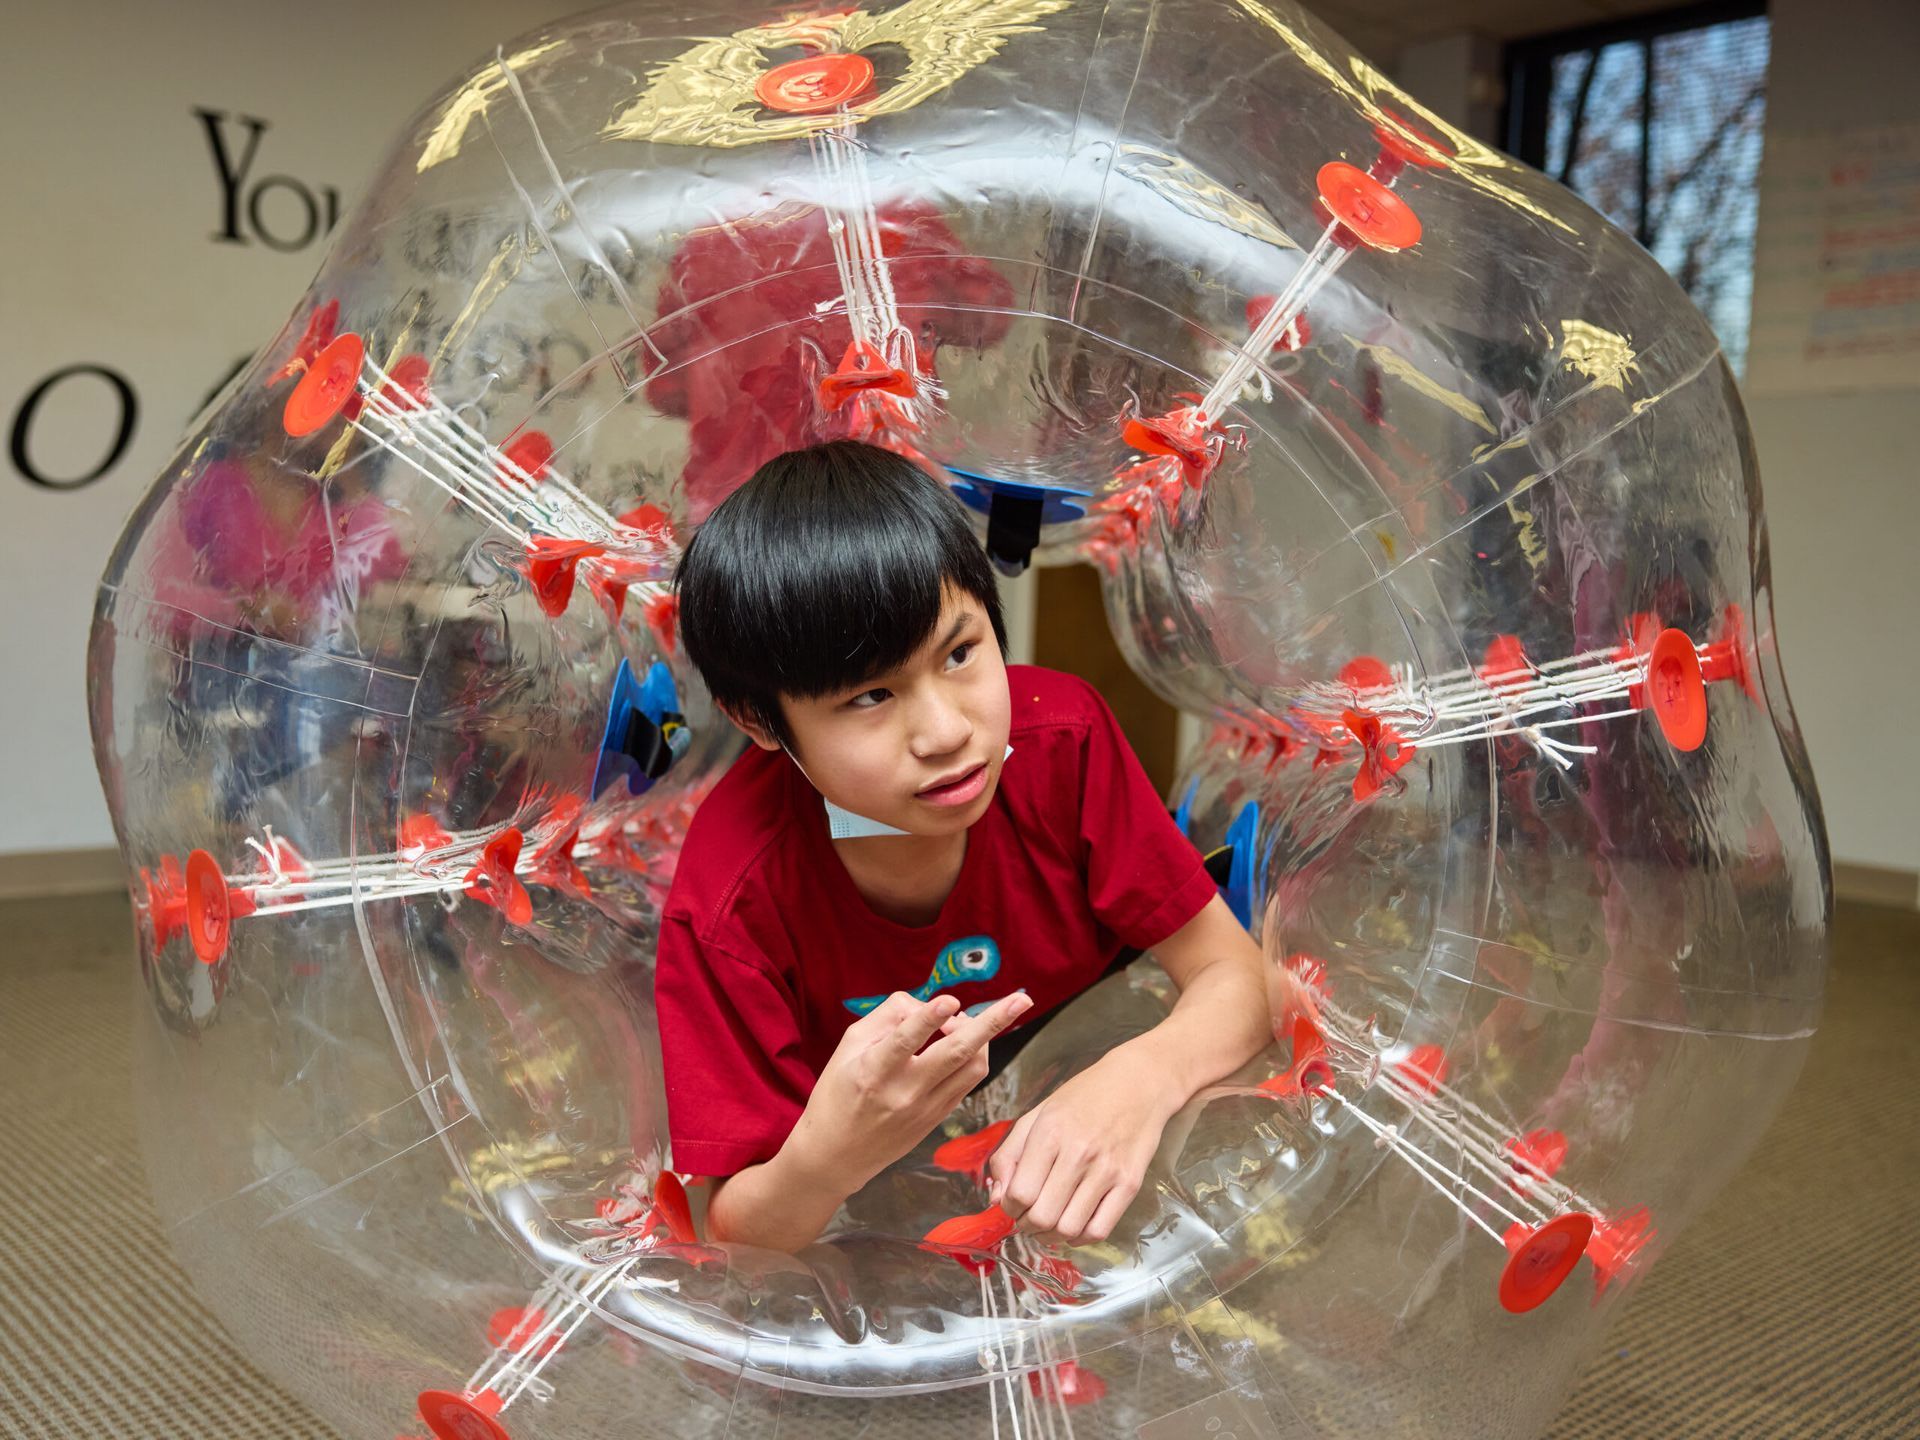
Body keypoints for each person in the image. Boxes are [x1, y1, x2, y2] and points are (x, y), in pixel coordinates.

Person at [655, 440, 1295, 1256]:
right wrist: (829, 1158)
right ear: (757, 720)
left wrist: (1142, 1078)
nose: (948, 732)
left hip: (1078, 1125)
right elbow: (729, 1232)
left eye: (960, 653)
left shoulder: (1063, 743)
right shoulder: (730, 897)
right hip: (870, 1224)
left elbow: (1236, 974)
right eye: (871, 696)